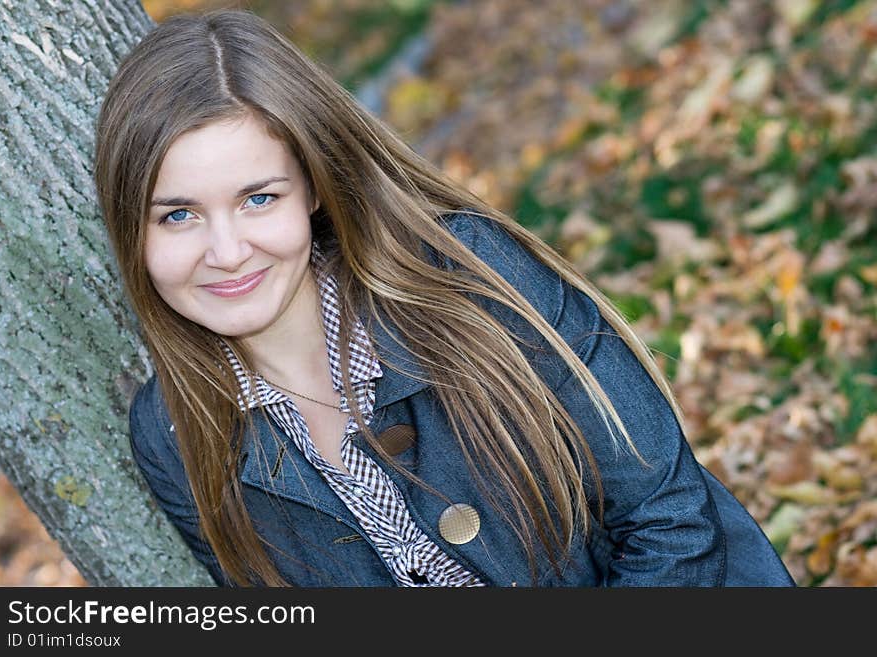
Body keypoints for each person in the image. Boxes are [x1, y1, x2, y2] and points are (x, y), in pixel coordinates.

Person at [93, 9, 794, 587]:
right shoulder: (173, 436)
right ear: (134, 230)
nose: (227, 251)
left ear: (310, 186)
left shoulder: (464, 272)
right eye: (177, 214)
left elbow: (669, 521)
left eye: (257, 198)